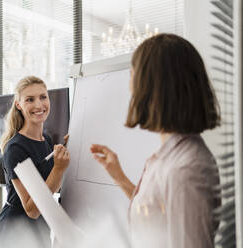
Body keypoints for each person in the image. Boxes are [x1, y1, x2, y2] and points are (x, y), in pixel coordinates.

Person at [90, 34, 221, 248]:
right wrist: (120, 178)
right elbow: (157, 214)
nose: (130, 77)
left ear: (155, 85)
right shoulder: (170, 157)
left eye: (135, 71)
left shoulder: (187, 169)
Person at [0, 76, 70, 248]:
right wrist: (58, 168)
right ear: (18, 105)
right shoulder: (16, 149)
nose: (38, 105)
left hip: (40, 231)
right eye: (30, 99)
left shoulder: (46, 140)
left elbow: (50, 187)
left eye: (43, 97)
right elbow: (32, 209)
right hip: (15, 234)